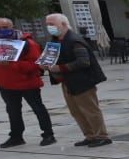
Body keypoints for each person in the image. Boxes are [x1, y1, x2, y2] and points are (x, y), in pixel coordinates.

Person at [44, 12, 110, 147]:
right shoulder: (55, 41)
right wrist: (44, 64)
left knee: (90, 110)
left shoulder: (74, 40)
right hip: (67, 82)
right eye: (48, 25)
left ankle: (101, 135)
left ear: (63, 24)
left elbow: (84, 62)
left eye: (52, 24)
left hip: (83, 81)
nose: (49, 27)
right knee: (76, 111)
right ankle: (90, 135)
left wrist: (60, 68)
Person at [0, 18, 55, 148]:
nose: (2, 30)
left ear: (12, 26)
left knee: (38, 108)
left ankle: (48, 134)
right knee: (12, 111)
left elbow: (36, 64)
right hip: (6, 84)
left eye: (5, 26)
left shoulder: (27, 43)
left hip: (27, 82)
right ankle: (16, 136)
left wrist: (12, 64)